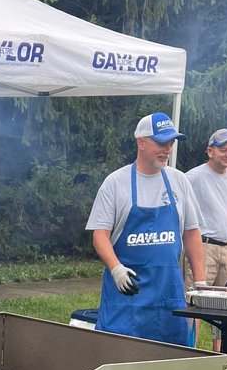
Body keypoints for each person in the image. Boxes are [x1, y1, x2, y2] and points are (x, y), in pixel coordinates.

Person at [87, 112, 206, 346]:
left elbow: (191, 232)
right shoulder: (115, 183)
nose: (168, 149)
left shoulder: (179, 181)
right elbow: (99, 234)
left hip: (169, 293)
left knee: (171, 364)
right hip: (127, 295)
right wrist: (116, 269)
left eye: (171, 143)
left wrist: (200, 282)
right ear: (141, 142)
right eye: (161, 143)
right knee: (121, 359)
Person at [185, 128, 227, 351]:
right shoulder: (193, 177)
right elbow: (180, 207)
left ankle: (221, 354)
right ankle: (189, 351)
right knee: (195, 302)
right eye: (223, 150)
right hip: (203, 248)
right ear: (209, 151)